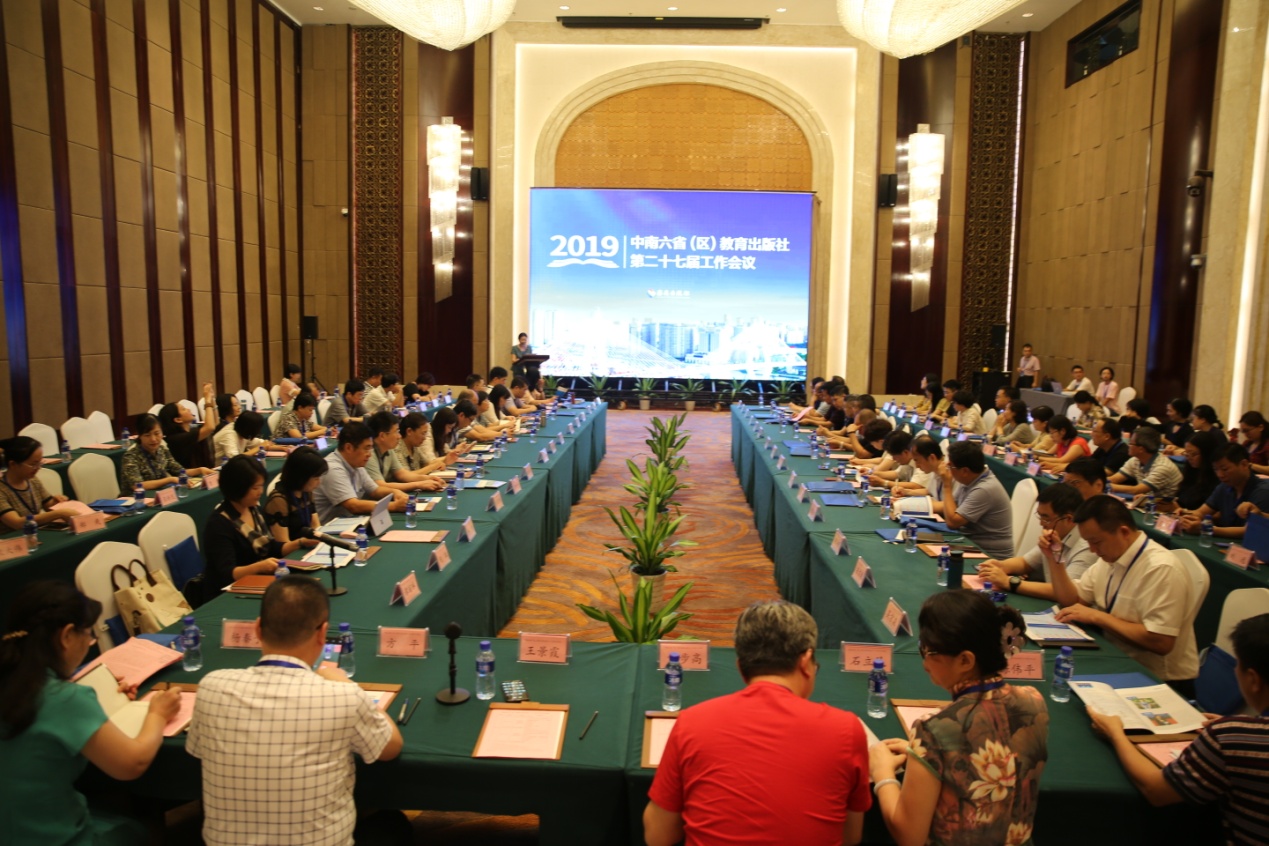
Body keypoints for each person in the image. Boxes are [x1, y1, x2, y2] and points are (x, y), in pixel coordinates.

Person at [186, 576, 403, 846]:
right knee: (393, 825)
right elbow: (390, 748)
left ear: (257, 628)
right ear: (322, 634)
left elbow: (197, 751)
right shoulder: (343, 697)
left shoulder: (211, 687)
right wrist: (350, 685)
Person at [644, 601, 870, 846]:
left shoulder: (692, 721)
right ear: (806, 662)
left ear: (740, 668)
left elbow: (658, 836)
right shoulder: (846, 729)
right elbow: (850, 836)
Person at [0, 581, 181, 844]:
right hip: (54, 837)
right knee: (142, 830)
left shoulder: (14, 680)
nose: (90, 642)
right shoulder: (64, 699)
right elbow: (132, 764)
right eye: (88, 635)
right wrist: (158, 714)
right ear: (66, 636)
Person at [869, 591, 1047, 846]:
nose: (924, 660)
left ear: (965, 660)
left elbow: (909, 836)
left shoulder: (933, 730)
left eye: (929, 651)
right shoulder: (1034, 701)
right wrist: (923, 757)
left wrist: (883, 773)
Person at [1088, 612, 1269, 846]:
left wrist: (1116, 733)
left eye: (1238, 664)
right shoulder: (1237, 733)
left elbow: (1156, 790)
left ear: (1253, 680)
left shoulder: (1231, 738)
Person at [1049, 495, 1200, 686]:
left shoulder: (1161, 568)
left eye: (1096, 542)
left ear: (1124, 532)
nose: (1092, 550)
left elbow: (1161, 641)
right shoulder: (1111, 556)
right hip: (1118, 658)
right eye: (1088, 542)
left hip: (1160, 679)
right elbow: (1074, 601)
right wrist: (1054, 558)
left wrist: (1097, 617)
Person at [978, 483, 1098, 600]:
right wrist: (1000, 566)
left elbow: (1064, 592)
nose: (1041, 523)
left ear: (1068, 519)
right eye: (1040, 516)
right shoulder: (1056, 534)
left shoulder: (1087, 546)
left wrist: (1009, 582)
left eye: (1046, 518)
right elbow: (1026, 563)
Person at [202, 456, 297, 591]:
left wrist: (299, 543)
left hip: (259, 582)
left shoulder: (253, 510)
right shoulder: (218, 524)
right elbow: (227, 574)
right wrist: (259, 567)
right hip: (229, 591)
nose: (260, 492)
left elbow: (271, 547)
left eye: (261, 486)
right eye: (255, 488)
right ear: (237, 488)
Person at [312, 422, 407, 522]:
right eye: (366, 448)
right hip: (332, 528)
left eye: (370, 448)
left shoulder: (356, 464)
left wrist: (395, 492)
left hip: (352, 523)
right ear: (349, 448)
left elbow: (375, 491)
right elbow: (353, 505)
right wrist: (394, 506)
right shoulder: (332, 468)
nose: (369, 454)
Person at [937, 441, 1014, 558]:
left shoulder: (985, 489)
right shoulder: (971, 479)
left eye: (951, 465)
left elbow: (952, 522)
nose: (947, 467)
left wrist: (946, 485)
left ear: (964, 471)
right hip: (970, 544)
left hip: (991, 555)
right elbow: (950, 506)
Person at [1178, 443, 1269, 539]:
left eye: (1225, 469)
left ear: (1244, 464)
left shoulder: (1263, 491)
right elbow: (1201, 512)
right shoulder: (1224, 487)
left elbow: (1250, 529)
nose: (1220, 475)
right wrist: (1184, 516)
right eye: (1216, 469)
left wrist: (1208, 529)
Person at [120, 412, 213, 494]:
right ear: (139, 436)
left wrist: (200, 470)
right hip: (135, 500)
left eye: (157, 433)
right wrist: (169, 480)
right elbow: (137, 485)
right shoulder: (131, 456)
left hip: (160, 495)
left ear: (162, 432)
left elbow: (179, 471)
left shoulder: (162, 450)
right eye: (147, 435)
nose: (153, 439)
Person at [0, 436, 80, 531]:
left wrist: (58, 502)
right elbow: (17, 523)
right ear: (13, 464)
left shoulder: (33, 481)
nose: (38, 468)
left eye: (40, 463)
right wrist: (59, 513)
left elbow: (48, 505)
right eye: (33, 464)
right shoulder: (2, 489)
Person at [364, 411, 444, 493]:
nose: (399, 436)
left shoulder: (389, 450)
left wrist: (428, 478)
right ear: (382, 436)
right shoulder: (369, 454)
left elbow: (403, 474)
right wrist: (419, 484)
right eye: (396, 432)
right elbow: (380, 486)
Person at [264, 446, 327, 548]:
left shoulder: (306, 492)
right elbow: (283, 546)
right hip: (291, 552)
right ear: (302, 477)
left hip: (307, 547)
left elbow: (316, 526)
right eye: (316, 478)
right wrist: (303, 543)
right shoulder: (278, 500)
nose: (318, 482)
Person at [1109, 426, 1183, 499]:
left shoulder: (1163, 467)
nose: (1128, 445)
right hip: (1147, 501)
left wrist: (1106, 486)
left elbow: (1136, 490)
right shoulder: (1135, 460)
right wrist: (1103, 482)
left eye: (1131, 443)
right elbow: (1114, 479)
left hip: (1163, 505)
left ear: (1141, 449)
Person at [158, 383, 218, 469]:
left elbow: (214, 423)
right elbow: (209, 427)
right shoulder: (176, 439)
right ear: (178, 419)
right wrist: (207, 400)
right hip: (189, 476)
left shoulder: (190, 430)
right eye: (184, 409)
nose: (188, 409)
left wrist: (211, 399)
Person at [395, 411, 464, 475]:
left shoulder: (415, 446)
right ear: (409, 431)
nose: (424, 438)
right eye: (423, 433)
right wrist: (432, 467)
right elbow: (406, 476)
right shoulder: (397, 449)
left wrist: (445, 460)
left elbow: (426, 463)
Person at [1174, 430, 1223, 511]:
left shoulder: (1218, 477)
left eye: (1194, 454)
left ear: (1207, 454)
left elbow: (1203, 509)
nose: (1189, 458)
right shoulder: (1191, 471)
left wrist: (1178, 508)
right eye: (1186, 454)